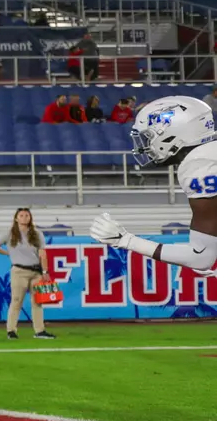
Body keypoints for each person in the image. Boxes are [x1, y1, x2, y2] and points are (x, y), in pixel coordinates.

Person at [90, 96, 217, 316]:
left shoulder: (199, 166)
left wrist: (126, 240)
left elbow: (201, 257)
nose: (145, 146)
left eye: (149, 137)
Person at [0, 207, 56, 341]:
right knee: (16, 301)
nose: (24, 217)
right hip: (19, 271)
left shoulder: (37, 234)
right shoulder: (10, 233)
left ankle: (39, 330)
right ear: (16, 218)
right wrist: (8, 253)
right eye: (21, 215)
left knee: (37, 302)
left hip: (36, 271)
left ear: (30, 218)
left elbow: (42, 253)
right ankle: (11, 330)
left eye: (27, 215)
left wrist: (45, 271)